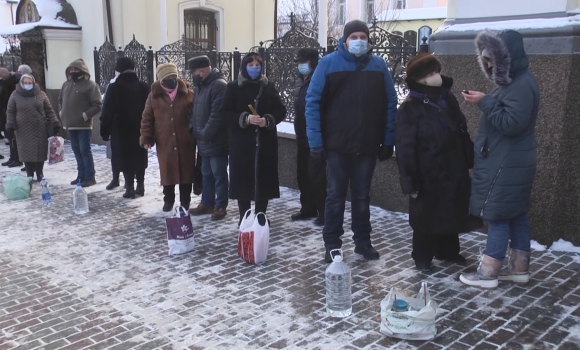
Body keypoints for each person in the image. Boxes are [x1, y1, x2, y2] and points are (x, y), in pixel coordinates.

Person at [306, 20, 398, 263]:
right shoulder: (328, 64)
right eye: (354, 36)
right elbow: (313, 103)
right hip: (336, 146)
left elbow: (390, 102)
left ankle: (363, 242)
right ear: (345, 40)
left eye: (363, 36)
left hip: (367, 145)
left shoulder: (378, 66)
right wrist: (315, 141)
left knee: (361, 197)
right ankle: (333, 244)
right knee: (335, 197)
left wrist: (388, 139)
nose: (359, 40)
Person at [460, 30, 539, 289]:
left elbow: (511, 123)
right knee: (515, 214)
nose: (488, 64)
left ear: (507, 57)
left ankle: (488, 273)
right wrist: (489, 99)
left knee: (497, 215)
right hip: (509, 160)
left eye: (492, 58)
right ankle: (519, 269)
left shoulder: (521, 84)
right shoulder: (516, 82)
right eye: (486, 58)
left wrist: (485, 102)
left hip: (506, 163)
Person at [395, 53, 479, 272]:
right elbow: (404, 148)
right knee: (426, 218)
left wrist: (469, 154)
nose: (436, 77)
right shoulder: (410, 108)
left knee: (452, 211)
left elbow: (461, 128)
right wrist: (409, 180)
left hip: (453, 167)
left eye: (436, 72)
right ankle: (422, 257)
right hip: (427, 173)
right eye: (430, 74)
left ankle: (448, 251)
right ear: (420, 79)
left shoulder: (447, 98)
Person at [221, 52, 287, 225]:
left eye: (257, 65)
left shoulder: (268, 86)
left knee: (264, 179)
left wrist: (268, 120)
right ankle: (244, 216)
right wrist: (245, 119)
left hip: (265, 142)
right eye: (251, 65)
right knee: (242, 179)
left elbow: (281, 110)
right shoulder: (233, 87)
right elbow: (225, 113)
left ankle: (260, 215)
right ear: (244, 66)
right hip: (242, 143)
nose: (254, 68)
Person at [140, 63, 196, 211]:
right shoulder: (153, 96)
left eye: (174, 76)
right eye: (168, 77)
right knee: (167, 172)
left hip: (186, 141)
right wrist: (146, 138)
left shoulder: (189, 94)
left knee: (186, 173)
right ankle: (168, 200)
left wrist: (193, 132)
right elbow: (147, 118)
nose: (172, 79)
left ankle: (185, 201)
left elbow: (195, 116)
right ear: (161, 80)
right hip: (164, 141)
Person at [101, 57, 150, 199]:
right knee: (139, 156)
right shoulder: (143, 86)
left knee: (125, 157)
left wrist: (105, 130)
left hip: (120, 130)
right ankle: (140, 186)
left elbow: (107, 111)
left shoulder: (115, 87)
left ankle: (129, 187)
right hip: (140, 128)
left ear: (119, 70)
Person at [187, 55, 229, 220]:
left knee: (219, 174)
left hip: (215, 141)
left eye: (193, 72)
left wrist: (203, 133)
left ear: (202, 71)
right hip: (203, 141)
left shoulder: (219, 86)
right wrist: (193, 128)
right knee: (206, 174)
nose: (192, 75)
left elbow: (217, 116)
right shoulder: (200, 86)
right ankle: (207, 202)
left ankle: (220, 206)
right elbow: (195, 112)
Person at [291, 48, 326, 227]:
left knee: (318, 176)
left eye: (303, 61)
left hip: (315, 134)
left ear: (313, 62)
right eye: (299, 61)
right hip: (301, 133)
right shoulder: (300, 79)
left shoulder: (319, 78)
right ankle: (308, 208)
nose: (300, 64)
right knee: (302, 173)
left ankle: (323, 211)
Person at [5, 74, 60, 181]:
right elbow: (10, 110)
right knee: (25, 151)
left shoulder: (41, 94)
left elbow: (49, 110)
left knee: (40, 151)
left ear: (33, 83)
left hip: (39, 127)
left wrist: (55, 122)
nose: (27, 85)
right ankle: (29, 174)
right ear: (21, 83)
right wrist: (10, 123)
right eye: (25, 83)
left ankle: (40, 173)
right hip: (22, 129)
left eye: (29, 83)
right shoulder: (15, 95)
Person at [59, 58, 102, 187]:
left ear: (82, 70)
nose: (73, 71)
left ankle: (90, 176)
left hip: (83, 125)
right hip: (70, 124)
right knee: (76, 150)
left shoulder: (90, 85)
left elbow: (97, 105)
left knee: (85, 150)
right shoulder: (66, 84)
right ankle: (81, 175)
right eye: (71, 69)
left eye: (75, 69)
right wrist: (61, 112)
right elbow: (60, 99)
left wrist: (85, 116)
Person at [102, 71, 123, 190]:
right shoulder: (111, 85)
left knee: (127, 156)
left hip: (127, 127)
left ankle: (128, 180)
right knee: (114, 155)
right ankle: (115, 179)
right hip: (113, 126)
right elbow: (105, 106)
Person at [0, 67, 22, 166]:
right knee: (9, 136)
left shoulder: (15, 81)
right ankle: (12, 157)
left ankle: (17, 159)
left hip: (14, 112)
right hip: (6, 112)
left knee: (14, 137)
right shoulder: (4, 83)